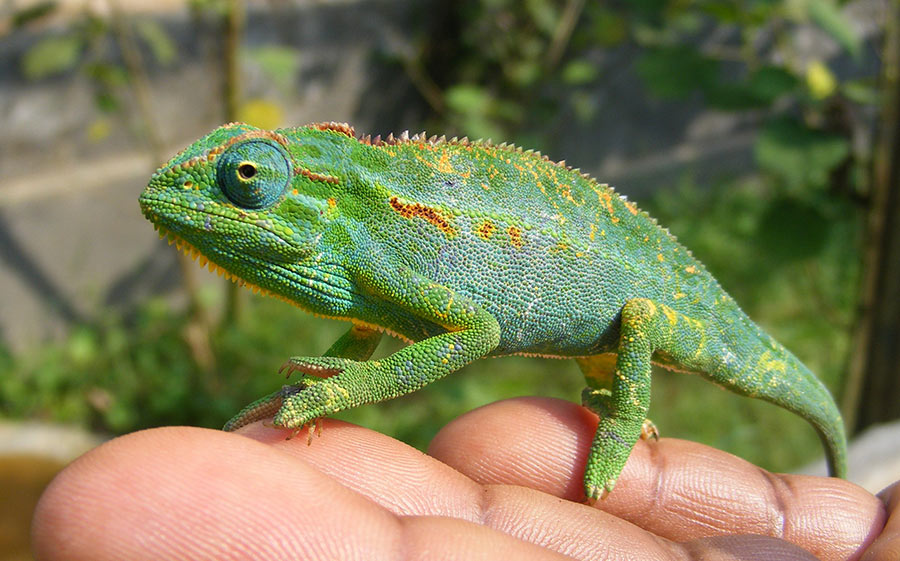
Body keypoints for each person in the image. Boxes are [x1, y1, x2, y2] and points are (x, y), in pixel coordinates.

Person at [32, 397, 896, 560]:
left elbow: (473, 328)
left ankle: (624, 396)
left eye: (249, 177)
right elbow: (378, 317)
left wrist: (619, 413)